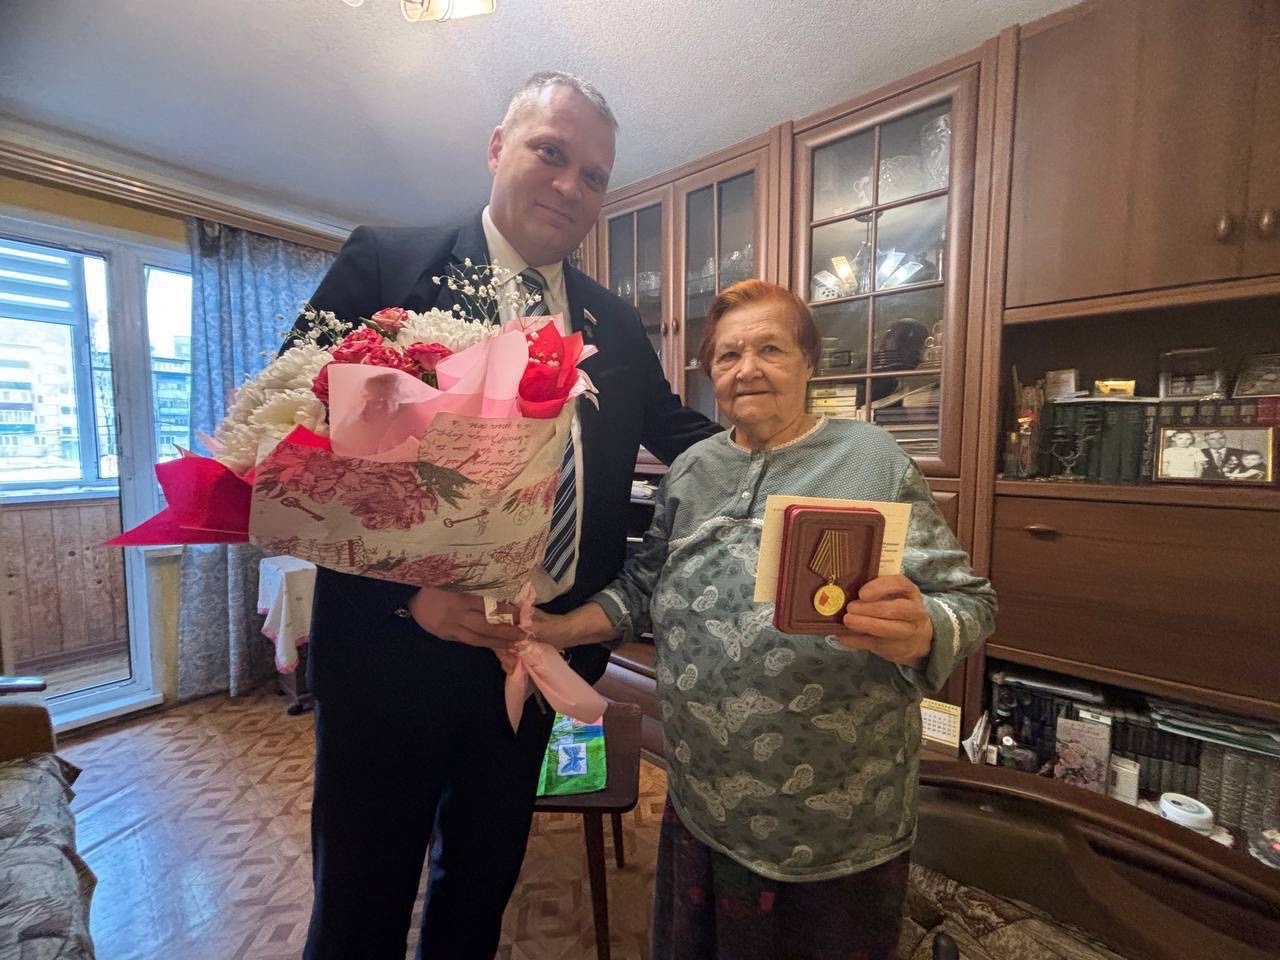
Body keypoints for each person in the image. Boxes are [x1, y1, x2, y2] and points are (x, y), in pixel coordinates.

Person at [289, 72, 719, 960]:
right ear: (497, 148)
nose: (570, 185)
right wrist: (406, 596)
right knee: (361, 902)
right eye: (549, 153)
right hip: (391, 656)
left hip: (537, 661)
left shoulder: (614, 321)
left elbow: (682, 434)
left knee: (479, 890)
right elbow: (297, 445)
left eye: (593, 175)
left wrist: (806, 453)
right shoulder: (387, 264)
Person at [530, 280, 997, 959]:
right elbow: (641, 588)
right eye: (728, 355)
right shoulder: (692, 469)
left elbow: (971, 600)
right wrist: (552, 630)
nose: (746, 369)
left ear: (809, 363)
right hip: (706, 800)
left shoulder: (871, 460)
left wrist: (923, 627)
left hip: (838, 817)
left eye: (770, 349)